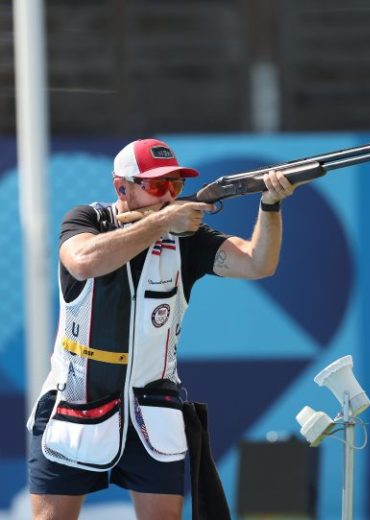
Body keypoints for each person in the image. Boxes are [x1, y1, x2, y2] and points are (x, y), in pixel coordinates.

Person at [26, 138, 296, 520]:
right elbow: (83, 261)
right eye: (156, 185)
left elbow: (257, 263)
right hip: (75, 397)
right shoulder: (86, 219)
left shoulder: (189, 239)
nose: (169, 194)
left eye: (176, 184)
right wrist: (163, 222)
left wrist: (271, 205)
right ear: (121, 187)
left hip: (150, 405)